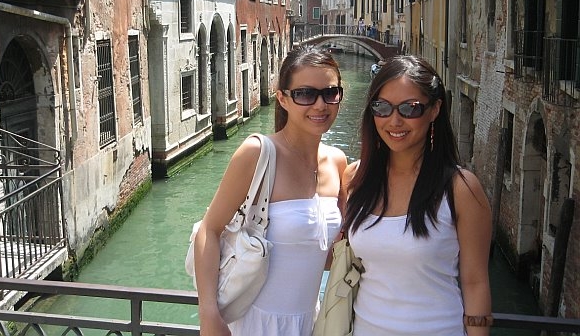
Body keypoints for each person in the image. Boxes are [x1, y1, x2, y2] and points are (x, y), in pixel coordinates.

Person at [193, 45, 348, 336]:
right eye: (304, 94)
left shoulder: (338, 163)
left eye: (330, 93)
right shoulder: (257, 153)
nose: (319, 105)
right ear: (283, 99)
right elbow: (209, 231)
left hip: (312, 324)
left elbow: (326, 255)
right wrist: (209, 315)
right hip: (253, 324)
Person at [343, 55, 492, 336]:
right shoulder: (355, 179)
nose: (394, 121)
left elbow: (475, 283)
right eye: (382, 107)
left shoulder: (461, 189)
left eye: (410, 109)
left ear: (434, 110)